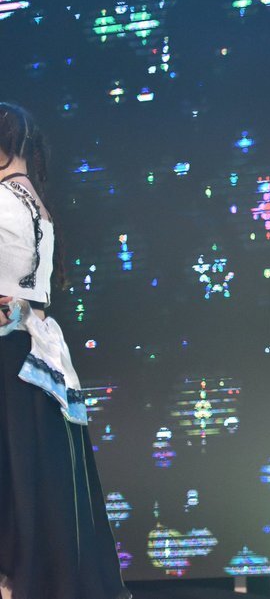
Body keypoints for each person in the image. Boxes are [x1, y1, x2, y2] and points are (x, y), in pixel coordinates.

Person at [0, 102, 129, 599]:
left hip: (11, 356)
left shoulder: (4, 200)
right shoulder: (35, 203)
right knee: (37, 485)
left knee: (17, 486)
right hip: (32, 356)